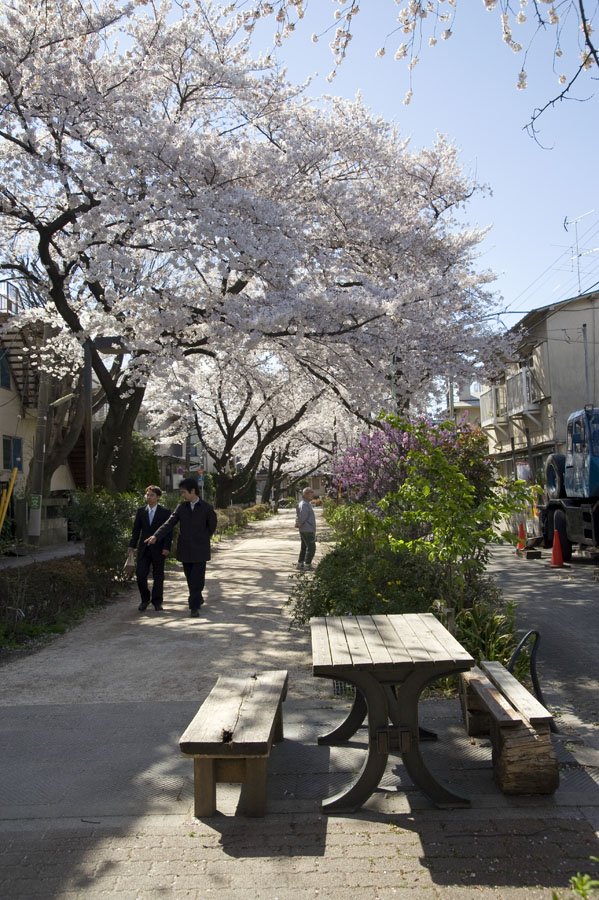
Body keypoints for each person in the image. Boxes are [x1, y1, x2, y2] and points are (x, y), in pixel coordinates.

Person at [146, 476, 217, 617]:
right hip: (185, 549)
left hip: (200, 550)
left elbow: (212, 526)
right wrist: (156, 536)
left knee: (197, 579)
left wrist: (203, 538)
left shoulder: (206, 508)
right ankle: (197, 597)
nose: (182, 495)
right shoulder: (181, 508)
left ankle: (194, 607)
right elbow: (169, 523)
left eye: (184, 492)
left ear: (193, 491)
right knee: (190, 578)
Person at [128, 485, 172, 612]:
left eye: (152, 495)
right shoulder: (141, 511)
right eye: (147, 495)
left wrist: (167, 547)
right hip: (144, 548)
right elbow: (136, 530)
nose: (149, 497)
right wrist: (132, 545)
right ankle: (145, 599)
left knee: (158, 576)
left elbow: (168, 532)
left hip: (159, 548)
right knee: (140, 574)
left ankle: (157, 601)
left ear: (158, 497)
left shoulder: (165, 512)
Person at [295, 487, 316, 570]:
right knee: (311, 547)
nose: (313, 495)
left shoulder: (304, 503)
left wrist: (298, 523)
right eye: (311, 493)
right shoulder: (304, 504)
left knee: (304, 547)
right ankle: (307, 564)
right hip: (307, 529)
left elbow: (298, 515)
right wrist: (299, 523)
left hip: (305, 528)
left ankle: (300, 563)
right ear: (306, 494)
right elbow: (302, 517)